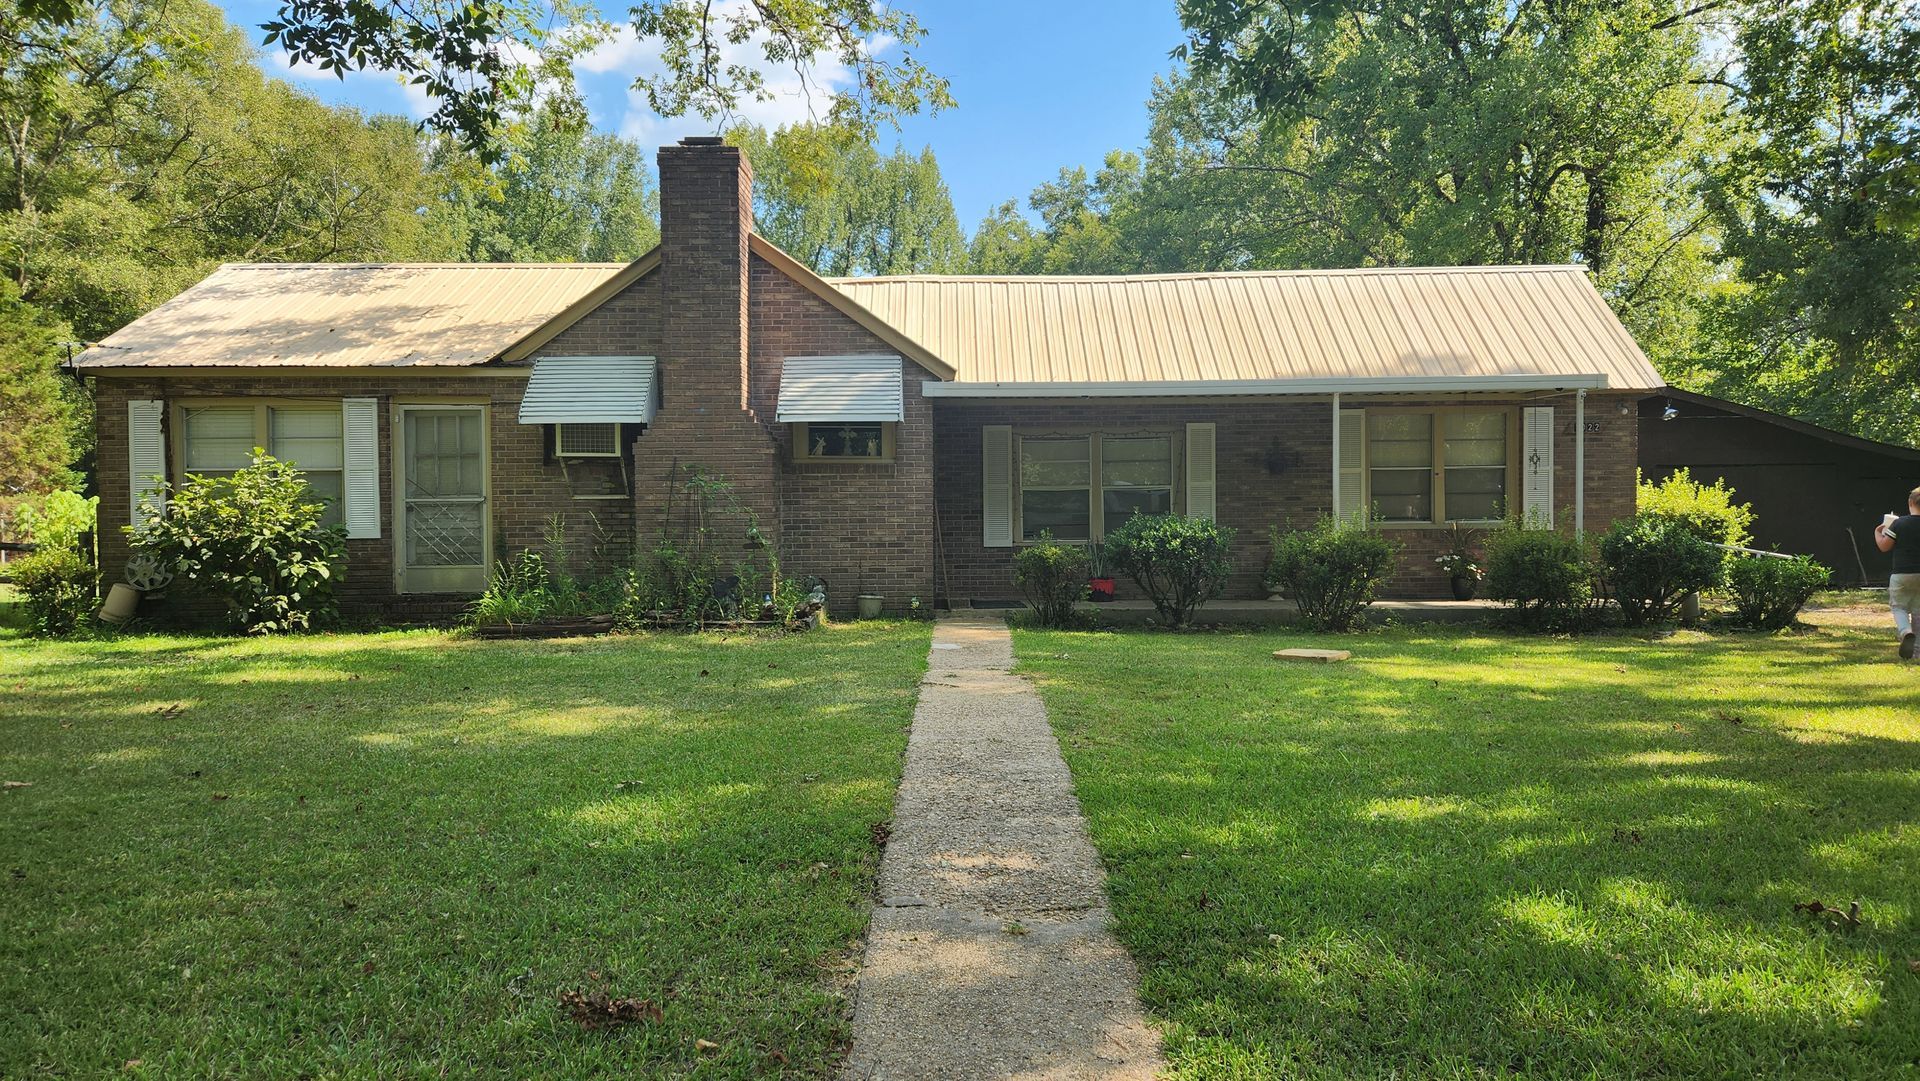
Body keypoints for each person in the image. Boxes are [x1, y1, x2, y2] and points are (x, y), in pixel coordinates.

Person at [1873, 486, 1920, 659]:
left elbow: (1885, 546)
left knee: (1899, 607)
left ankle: (1905, 631)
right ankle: (1917, 652)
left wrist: (1878, 533)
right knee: (1918, 612)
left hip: (1901, 574)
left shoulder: (1899, 523)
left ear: (1910, 503)